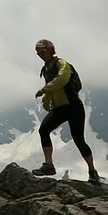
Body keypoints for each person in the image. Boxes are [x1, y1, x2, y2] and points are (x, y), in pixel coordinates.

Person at [33, 39, 100, 183]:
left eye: (42, 51)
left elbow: (61, 80)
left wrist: (45, 90)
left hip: (73, 106)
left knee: (79, 140)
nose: (40, 55)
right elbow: (53, 86)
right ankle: (49, 165)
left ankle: (92, 171)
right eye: (38, 53)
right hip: (60, 108)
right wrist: (47, 99)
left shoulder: (61, 64)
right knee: (43, 130)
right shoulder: (46, 69)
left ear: (51, 49)